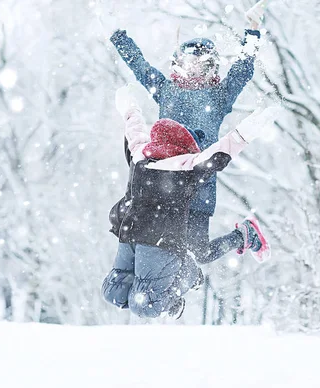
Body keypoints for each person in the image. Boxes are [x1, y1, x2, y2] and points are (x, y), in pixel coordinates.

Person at [100, 1, 269, 264]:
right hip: (161, 187)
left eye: (200, 64)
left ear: (211, 67)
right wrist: (115, 33)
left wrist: (253, 28)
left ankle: (244, 235)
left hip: (199, 187)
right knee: (158, 250)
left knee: (196, 255)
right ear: (178, 63)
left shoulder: (219, 95)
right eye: (189, 62)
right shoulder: (167, 91)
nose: (194, 69)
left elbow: (243, 69)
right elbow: (138, 64)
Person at [102, 86, 278, 319]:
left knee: (143, 305)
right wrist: (128, 105)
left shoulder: (186, 166)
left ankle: (186, 273)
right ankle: (178, 272)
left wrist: (248, 131)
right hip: (129, 235)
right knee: (113, 292)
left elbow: (223, 150)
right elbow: (134, 127)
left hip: (161, 242)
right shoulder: (141, 155)